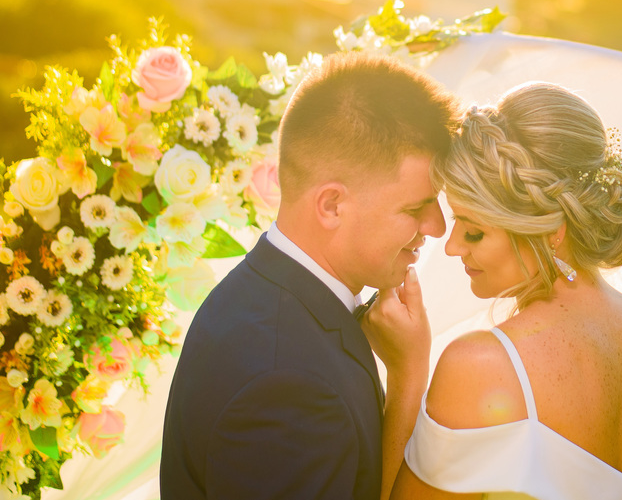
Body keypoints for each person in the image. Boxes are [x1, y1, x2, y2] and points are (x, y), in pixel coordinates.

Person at [377, 82, 622, 500]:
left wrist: (406, 372)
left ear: (551, 233)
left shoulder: (482, 367)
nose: (451, 247)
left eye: (473, 231)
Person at [160, 52, 458, 500]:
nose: (437, 227)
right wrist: (410, 376)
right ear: (332, 205)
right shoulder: (286, 384)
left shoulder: (264, 296)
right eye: (416, 207)